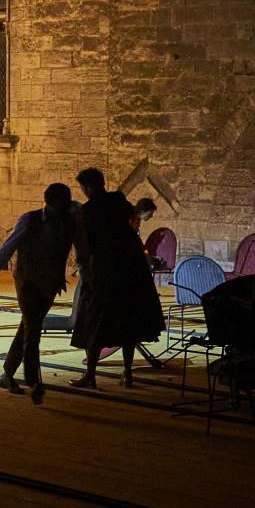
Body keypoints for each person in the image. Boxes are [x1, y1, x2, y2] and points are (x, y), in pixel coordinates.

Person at [0, 183, 84, 404]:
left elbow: (82, 248)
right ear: (49, 204)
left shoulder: (69, 221)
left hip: (50, 285)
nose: (61, 211)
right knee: (32, 330)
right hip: (28, 282)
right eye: (58, 206)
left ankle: (7, 373)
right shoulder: (29, 220)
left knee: (28, 327)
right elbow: (5, 250)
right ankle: (33, 382)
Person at [69, 167, 165, 389]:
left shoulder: (89, 211)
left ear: (88, 187)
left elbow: (85, 246)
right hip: (130, 268)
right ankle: (128, 373)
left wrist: (86, 275)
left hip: (105, 270)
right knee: (127, 321)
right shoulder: (118, 201)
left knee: (95, 321)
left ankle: (90, 375)